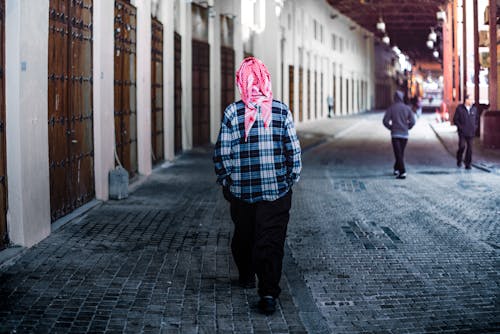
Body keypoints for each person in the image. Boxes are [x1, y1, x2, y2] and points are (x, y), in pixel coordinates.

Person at [213, 57, 302, 315]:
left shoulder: (232, 112)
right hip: (276, 193)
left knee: (244, 236)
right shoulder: (281, 111)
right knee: (271, 241)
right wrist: (288, 180)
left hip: (241, 194)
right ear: (266, 79)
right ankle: (268, 293)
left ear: (242, 81)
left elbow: (222, 154)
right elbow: (293, 153)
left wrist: (228, 182)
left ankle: (246, 275)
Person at [383, 90, 416, 179]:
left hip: (395, 134)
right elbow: (413, 121)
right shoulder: (407, 108)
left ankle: (403, 172)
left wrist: (391, 127)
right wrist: (407, 127)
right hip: (405, 135)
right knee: (400, 153)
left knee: (398, 153)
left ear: (394, 98)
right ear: (402, 98)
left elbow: (385, 121)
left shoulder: (391, 108)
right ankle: (396, 169)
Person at [453, 94, 478, 169]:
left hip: (471, 132)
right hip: (462, 133)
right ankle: (459, 159)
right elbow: (455, 119)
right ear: (466, 100)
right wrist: (460, 128)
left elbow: (477, 119)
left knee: (470, 148)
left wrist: (475, 127)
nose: (472, 101)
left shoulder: (474, 109)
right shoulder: (460, 108)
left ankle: (468, 164)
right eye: (470, 99)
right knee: (462, 146)